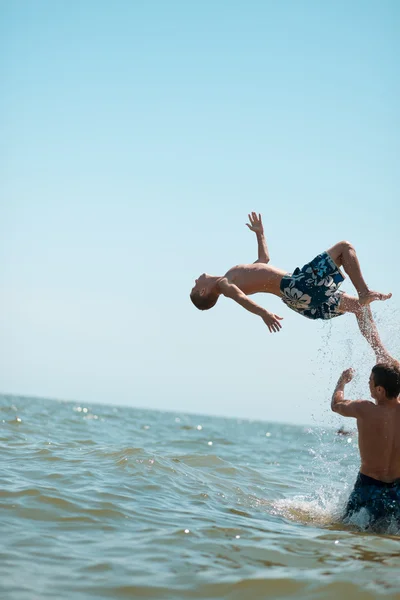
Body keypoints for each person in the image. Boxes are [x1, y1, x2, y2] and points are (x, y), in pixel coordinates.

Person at [190, 212, 391, 354]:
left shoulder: (232, 276)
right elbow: (240, 298)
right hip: (296, 287)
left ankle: (380, 353)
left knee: (359, 308)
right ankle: (364, 291)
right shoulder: (225, 284)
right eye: (195, 286)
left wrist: (260, 234)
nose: (195, 280)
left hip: (296, 300)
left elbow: (263, 262)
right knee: (344, 247)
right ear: (203, 292)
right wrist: (264, 313)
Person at [332, 357, 400, 530]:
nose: (368, 382)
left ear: (380, 390)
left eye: (370, 380)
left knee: (346, 530)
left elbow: (336, 404)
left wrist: (342, 381)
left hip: (368, 487)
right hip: (397, 490)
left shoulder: (365, 409)